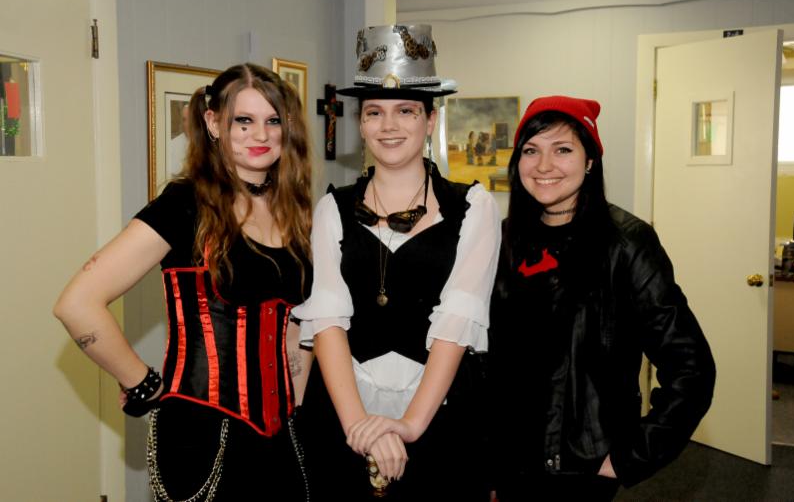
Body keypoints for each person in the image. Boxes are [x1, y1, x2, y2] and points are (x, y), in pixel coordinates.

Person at [54, 63, 314, 501]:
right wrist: (144, 386)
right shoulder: (185, 204)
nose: (261, 135)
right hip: (202, 438)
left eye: (273, 121)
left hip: (282, 440)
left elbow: (294, 327)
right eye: (243, 121)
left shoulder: (293, 208)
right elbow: (77, 304)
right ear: (213, 122)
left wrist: (298, 410)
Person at [293, 24, 500, 501]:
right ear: (361, 123)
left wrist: (409, 425)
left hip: (439, 419)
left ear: (430, 121)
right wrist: (359, 427)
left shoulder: (474, 207)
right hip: (342, 419)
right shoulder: (331, 208)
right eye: (374, 113)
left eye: (406, 111)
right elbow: (327, 324)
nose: (389, 126)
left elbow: (456, 325)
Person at [489, 95, 716, 500]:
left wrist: (630, 457)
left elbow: (691, 366)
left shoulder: (626, 243)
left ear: (590, 160)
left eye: (563, 150)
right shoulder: (503, 238)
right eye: (531, 150)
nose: (544, 165)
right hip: (508, 459)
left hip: (580, 467)